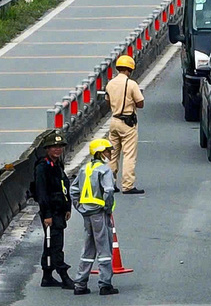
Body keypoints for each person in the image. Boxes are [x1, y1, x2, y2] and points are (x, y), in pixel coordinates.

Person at [70, 139, 118, 296]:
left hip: (87, 214)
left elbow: (73, 190)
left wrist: (80, 208)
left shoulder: (85, 169)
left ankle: (80, 283)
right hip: (99, 213)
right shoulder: (104, 170)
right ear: (101, 152)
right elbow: (109, 190)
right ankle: (105, 284)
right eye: (108, 150)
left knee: (88, 247)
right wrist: (107, 208)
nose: (110, 153)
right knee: (104, 247)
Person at [34, 129, 75, 290]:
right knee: (56, 245)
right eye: (54, 147)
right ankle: (64, 276)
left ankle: (47, 276)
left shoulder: (57, 164)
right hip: (51, 212)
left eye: (60, 146)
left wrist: (67, 207)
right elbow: (41, 193)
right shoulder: (42, 167)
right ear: (47, 149)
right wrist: (47, 215)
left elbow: (63, 187)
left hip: (59, 210)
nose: (57, 149)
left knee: (50, 244)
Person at [105, 55, 145, 194]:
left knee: (112, 154)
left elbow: (107, 101)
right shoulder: (131, 84)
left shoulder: (110, 83)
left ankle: (109, 183)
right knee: (129, 154)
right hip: (127, 122)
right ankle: (128, 185)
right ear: (130, 69)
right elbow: (140, 103)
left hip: (114, 120)